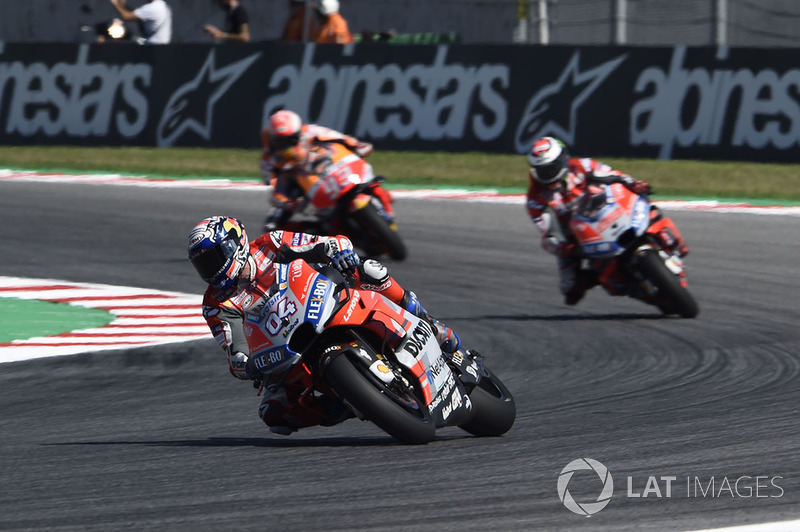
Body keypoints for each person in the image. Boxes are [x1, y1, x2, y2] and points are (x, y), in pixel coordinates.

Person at [188, 216, 461, 435]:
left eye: (214, 258)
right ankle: (351, 402)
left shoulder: (270, 244)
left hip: (325, 299)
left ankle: (427, 321)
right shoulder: (216, 304)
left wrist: (339, 251)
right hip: (285, 350)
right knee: (274, 413)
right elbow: (233, 346)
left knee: (369, 270)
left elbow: (326, 243)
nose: (211, 270)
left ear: (235, 244)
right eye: (203, 265)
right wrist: (244, 364)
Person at [525, 136, 668, 305]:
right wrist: (565, 249)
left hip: (606, 212)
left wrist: (634, 184)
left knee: (650, 211)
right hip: (576, 239)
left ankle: (668, 241)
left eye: (552, 167)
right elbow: (547, 233)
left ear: (563, 158)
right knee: (571, 290)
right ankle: (624, 285)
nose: (549, 173)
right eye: (543, 170)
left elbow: (613, 175)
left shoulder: (582, 166)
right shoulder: (535, 200)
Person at [261, 109, 374, 230]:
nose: (287, 145)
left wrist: (356, 145)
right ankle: (315, 236)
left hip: (324, 167)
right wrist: (286, 202)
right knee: (272, 225)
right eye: (281, 141)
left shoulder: (310, 131)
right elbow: (272, 183)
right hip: (298, 185)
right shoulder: (270, 157)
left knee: (368, 179)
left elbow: (337, 136)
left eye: (290, 139)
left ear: (298, 133)